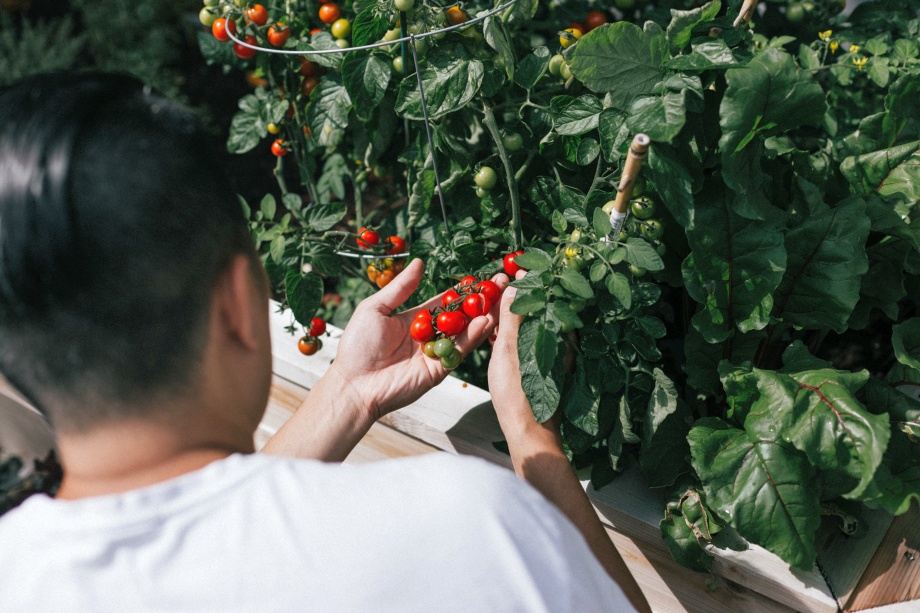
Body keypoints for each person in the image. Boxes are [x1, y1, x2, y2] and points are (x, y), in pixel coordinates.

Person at [0, 72, 650, 612]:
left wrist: (348, 391)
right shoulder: (467, 525)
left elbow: (207, 524)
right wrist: (533, 441)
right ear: (237, 304)